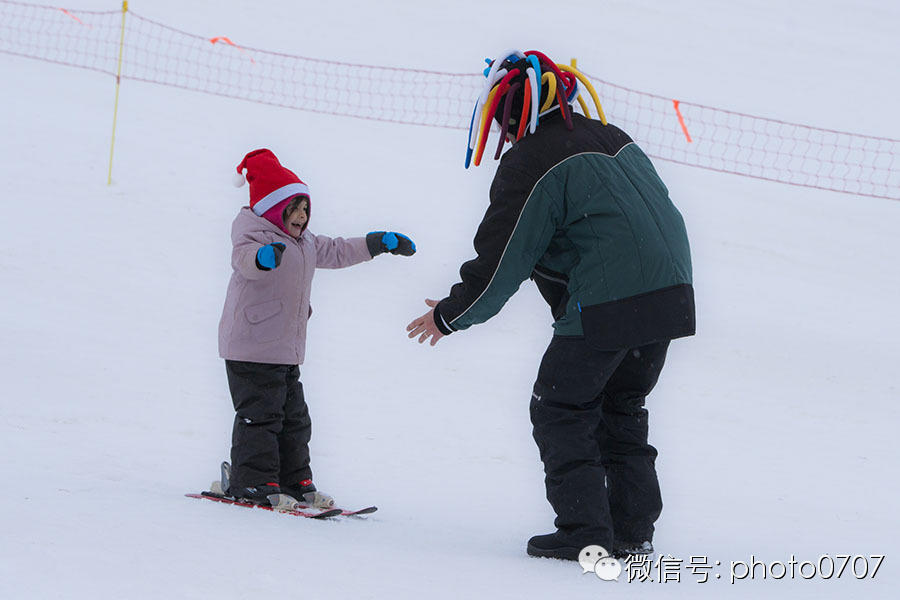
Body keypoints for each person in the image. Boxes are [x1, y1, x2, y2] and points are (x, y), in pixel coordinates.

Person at [406, 50, 695, 560]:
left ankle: (584, 533)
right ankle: (633, 531)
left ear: (504, 114)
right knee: (621, 406)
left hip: (611, 302)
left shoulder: (532, 160)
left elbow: (502, 257)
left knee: (561, 406)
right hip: (670, 296)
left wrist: (452, 314)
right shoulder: (612, 135)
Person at [218, 148, 415, 508]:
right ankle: (252, 482)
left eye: (305, 208)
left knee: (295, 419)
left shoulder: (305, 243)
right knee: (261, 418)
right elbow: (243, 260)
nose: (301, 216)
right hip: (249, 348)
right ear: (273, 209)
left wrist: (376, 243)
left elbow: (337, 251)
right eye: (292, 209)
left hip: (284, 350)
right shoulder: (253, 236)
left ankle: (295, 481)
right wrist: (262, 259)